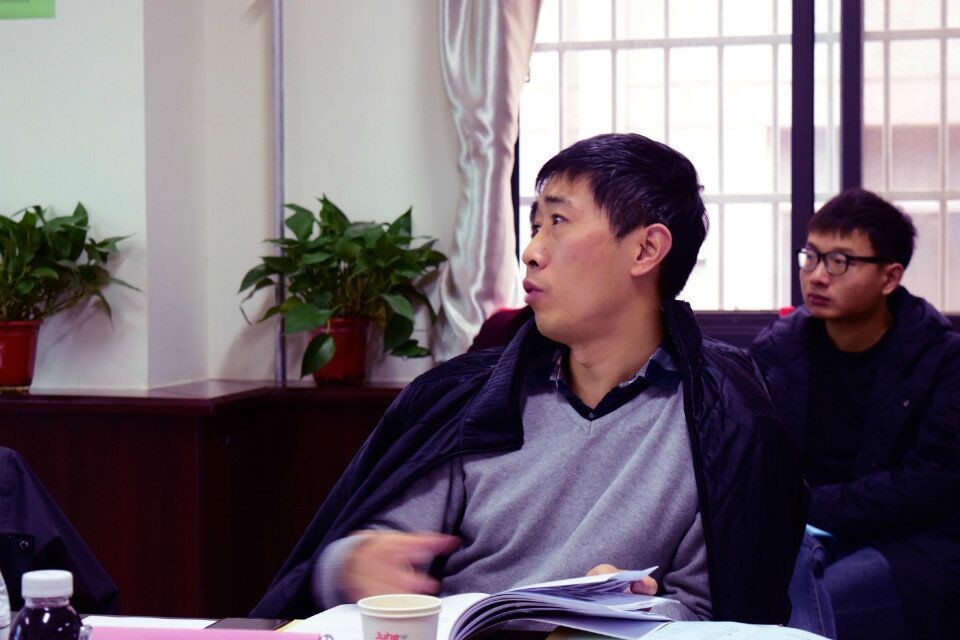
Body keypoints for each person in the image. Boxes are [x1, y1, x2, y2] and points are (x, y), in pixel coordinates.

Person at [252, 133, 805, 624]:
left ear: (645, 249)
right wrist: (352, 562)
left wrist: (639, 610)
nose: (531, 252)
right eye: (535, 225)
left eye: (557, 222)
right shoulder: (469, 399)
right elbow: (376, 555)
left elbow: (719, 610)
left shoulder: (725, 420)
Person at [750, 189, 960, 639]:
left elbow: (930, 483)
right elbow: (752, 459)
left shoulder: (942, 359)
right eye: (811, 256)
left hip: (907, 542)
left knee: (818, 602)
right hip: (799, 536)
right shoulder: (777, 350)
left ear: (889, 277)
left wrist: (806, 506)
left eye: (839, 262)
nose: (817, 276)